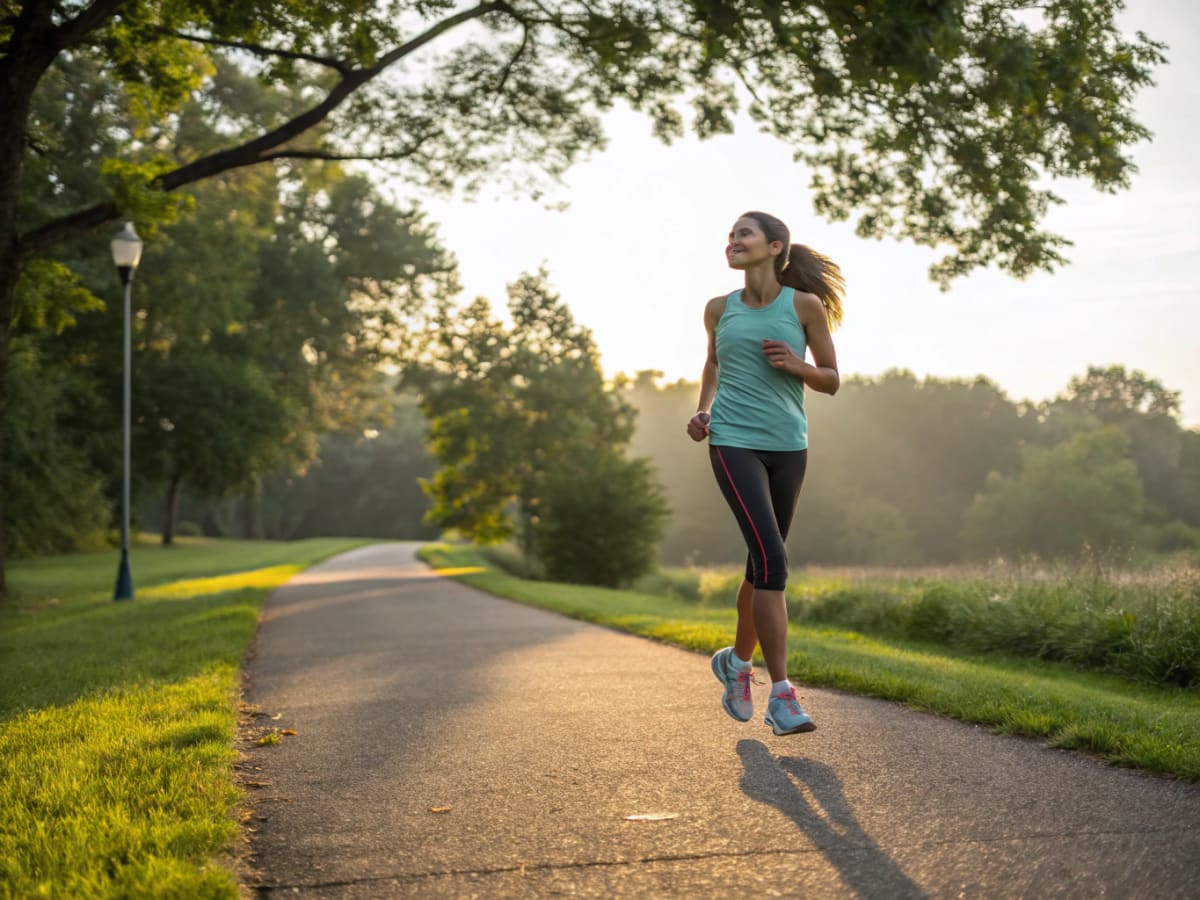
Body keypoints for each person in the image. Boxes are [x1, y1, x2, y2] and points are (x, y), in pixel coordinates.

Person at [686, 210, 843, 735]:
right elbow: (712, 363)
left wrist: (793, 365)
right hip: (732, 441)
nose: (732, 241)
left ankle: (735, 663)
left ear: (776, 248)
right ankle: (782, 695)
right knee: (774, 557)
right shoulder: (717, 308)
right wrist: (703, 408)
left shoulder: (803, 305)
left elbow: (831, 380)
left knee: (761, 563)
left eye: (744, 234)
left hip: (788, 445)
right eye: (730, 235)